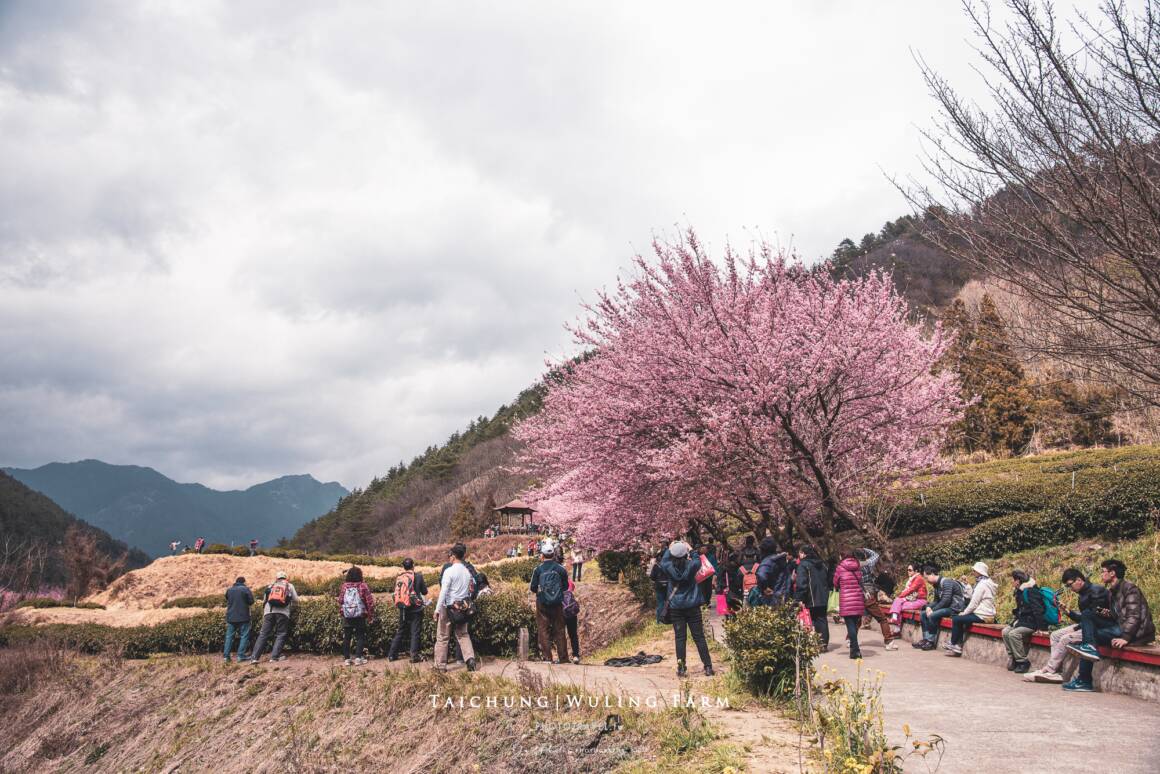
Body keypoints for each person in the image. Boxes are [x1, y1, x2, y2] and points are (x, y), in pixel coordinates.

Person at [1024, 568, 1112, 689]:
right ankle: (1055, 671)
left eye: (1070, 585)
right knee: (1055, 635)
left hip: (1099, 628)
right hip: (1086, 625)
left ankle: (1050, 670)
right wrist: (1068, 612)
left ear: (1079, 580)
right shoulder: (1082, 595)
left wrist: (1078, 627)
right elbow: (1084, 619)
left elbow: (1094, 619)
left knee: (1065, 639)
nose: (1070, 589)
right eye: (1067, 586)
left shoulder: (1097, 592)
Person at [659, 540, 714, 677]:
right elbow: (697, 557)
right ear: (685, 555)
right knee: (699, 637)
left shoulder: (667, 566)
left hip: (676, 607)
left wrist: (670, 547)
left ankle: (682, 669)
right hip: (693, 605)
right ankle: (708, 667)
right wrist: (689, 548)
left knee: (680, 638)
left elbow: (664, 559)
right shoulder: (693, 565)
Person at [434, 543, 477, 672]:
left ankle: (440, 666)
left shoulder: (449, 571)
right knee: (463, 635)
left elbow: (444, 591)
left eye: (450, 555)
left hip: (449, 607)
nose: (449, 557)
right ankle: (470, 660)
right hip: (462, 607)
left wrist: (437, 609)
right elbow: (469, 591)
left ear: (453, 556)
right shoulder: (467, 571)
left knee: (442, 637)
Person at [530, 540, 571, 664]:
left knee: (543, 629)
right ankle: (563, 658)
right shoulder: (561, 569)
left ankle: (547, 658)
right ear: (554, 555)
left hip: (542, 603)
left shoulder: (538, 570)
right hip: (558, 603)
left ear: (542, 555)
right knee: (559, 629)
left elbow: (533, 588)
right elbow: (565, 587)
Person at [945, 562, 998, 656]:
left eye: (974, 570)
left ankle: (954, 644)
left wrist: (964, 613)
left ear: (979, 572)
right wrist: (967, 586)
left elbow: (974, 603)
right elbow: (972, 597)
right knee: (960, 619)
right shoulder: (983, 582)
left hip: (983, 615)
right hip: (983, 613)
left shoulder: (982, 585)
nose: (973, 572)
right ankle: (957, 645)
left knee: (957, 619)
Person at [250, 571, 298, 665]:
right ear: (285, 578)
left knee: (263, 634)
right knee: (280, 634)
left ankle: (254, 658)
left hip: (269, 612)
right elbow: (296, 599)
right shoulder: (289, 586)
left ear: (277, 578)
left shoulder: (270, 586)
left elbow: (264, 600)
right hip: (283, 613)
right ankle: (274, 657)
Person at [1002, 570, 1045, 674]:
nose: (1012, 582)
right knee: (1005, 631)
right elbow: (1020, 610)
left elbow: (1038, 610)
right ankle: (1013, 657)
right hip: (1022, 621)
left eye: (1013, 580)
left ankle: (1022, 661)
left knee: (1013, 634)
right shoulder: (1020, 591)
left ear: (1018, 581)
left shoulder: (1031, 591)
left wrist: (1042, 628)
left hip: (1031, 623)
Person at [854, 548, 897, 649]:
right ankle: (889, 642)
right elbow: (876, 555)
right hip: (868, 593)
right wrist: (864, 549)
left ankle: (850, 640)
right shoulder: (867, 563)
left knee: (857, 618)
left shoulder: (852, 566)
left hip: (856, 593)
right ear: (864, 556)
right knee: (882, 618)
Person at [914, 565, 966, 650]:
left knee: (932, 615)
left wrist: (932, 610)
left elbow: (946, 601)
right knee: (923, 614)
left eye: (927, 578)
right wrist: (928, 607)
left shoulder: (947, 582)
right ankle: (926, 639)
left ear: (932, 574)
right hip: (947, 607)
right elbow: (936, 601)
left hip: (955, 608)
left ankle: (930, 642)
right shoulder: (936, 585)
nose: (926, 581)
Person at [387, 558, 427, 663]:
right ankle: (414, 655)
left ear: (403, 566)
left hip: (403, 608)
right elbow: (425, 592)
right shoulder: (418, 576)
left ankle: (391, 654)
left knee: (400, 631)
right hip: (416, 609)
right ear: (413, 565)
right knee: (415, 632)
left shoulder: (400, 577)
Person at [794, 545, 831, 649]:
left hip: (811, 596)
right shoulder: (822, 564)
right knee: (822, 619)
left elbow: (801, 583)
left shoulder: (803, 565)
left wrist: (799, 598)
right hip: (823, 595)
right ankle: (823, 644)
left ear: (804, 554)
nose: (799, 555)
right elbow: (828, 579)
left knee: (812, 619)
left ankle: (814, 643)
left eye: (800, 553)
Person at [338, 566, 376, 666]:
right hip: (360, 614)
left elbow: (340, 600)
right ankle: (358, 658)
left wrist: (344, 610)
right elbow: (369, 602)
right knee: (360, 636)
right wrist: (370, 615)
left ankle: (347, 659)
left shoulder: (344, 586)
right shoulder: (362, 586)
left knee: (347, 637)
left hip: (347, 615)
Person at [833, 550, 865, 659]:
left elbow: (835, 583)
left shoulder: (840, 567)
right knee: (854, 625)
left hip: (846, 600)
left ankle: (856, 651)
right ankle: (853, 650)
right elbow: (860, 580)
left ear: (842, 555)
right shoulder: (857, 566)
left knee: (850, 626)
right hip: (857, 599)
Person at [889, 561, 928, 634]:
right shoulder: (912, 579)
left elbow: (911, 589)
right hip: (913, 600)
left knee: (898, 605)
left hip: (920, 601)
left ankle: (896, 625)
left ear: (916, 571)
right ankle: (896, 625)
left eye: (910, 570)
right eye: (907, 570)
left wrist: (900, 596)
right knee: (898, 604)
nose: (908, 571)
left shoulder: (918, 578)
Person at [223, 576, 254, 663]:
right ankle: (241, 656)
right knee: (244, 636)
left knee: (229, 637)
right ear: (244, 582)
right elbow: (251, 601)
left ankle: (226, 657)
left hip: (231, 617)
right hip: (243, 617)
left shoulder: (229, 590)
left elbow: (227, 599)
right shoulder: (245, 589)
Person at [753, 537, 790, 606]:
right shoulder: (781, 560)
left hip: (771, 600)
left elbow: (761, 576)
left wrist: (764, 588)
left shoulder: (767, 562)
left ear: (762, 550)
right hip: (784, 596)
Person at [716, 551, 744, 618]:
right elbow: (738, 581)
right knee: (735, 611)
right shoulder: (737, 568)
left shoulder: (723, 566)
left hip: (723, 590)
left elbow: (719, 578)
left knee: (727, 612)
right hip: (734, 591)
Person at [564, 576, 581, 664]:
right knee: (573, 635)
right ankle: (575, 655)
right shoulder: (569, 581)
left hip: (561, 612)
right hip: (571, 612)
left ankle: (563, 656)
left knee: (560, 634)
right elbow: (573, 588)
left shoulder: (555, 582)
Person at [648, 549, 667, 624]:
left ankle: (659, 620)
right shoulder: (667, 565)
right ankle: (668, 618)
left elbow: (652, 577)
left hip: (659, 587)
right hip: (668, 586)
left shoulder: (656, 566)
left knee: (660, 603)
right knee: (668, 602)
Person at [696, 544, 717, 609]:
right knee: (702, 590)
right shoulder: (697, 557)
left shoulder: (711, 557)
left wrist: (714, 576)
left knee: (708, 590)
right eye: (702, 549)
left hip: (709, 576)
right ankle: (703, 603)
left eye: (705, 549)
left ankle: (707, 601)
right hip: (701, 576)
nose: (703, 550)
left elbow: (714, 566)